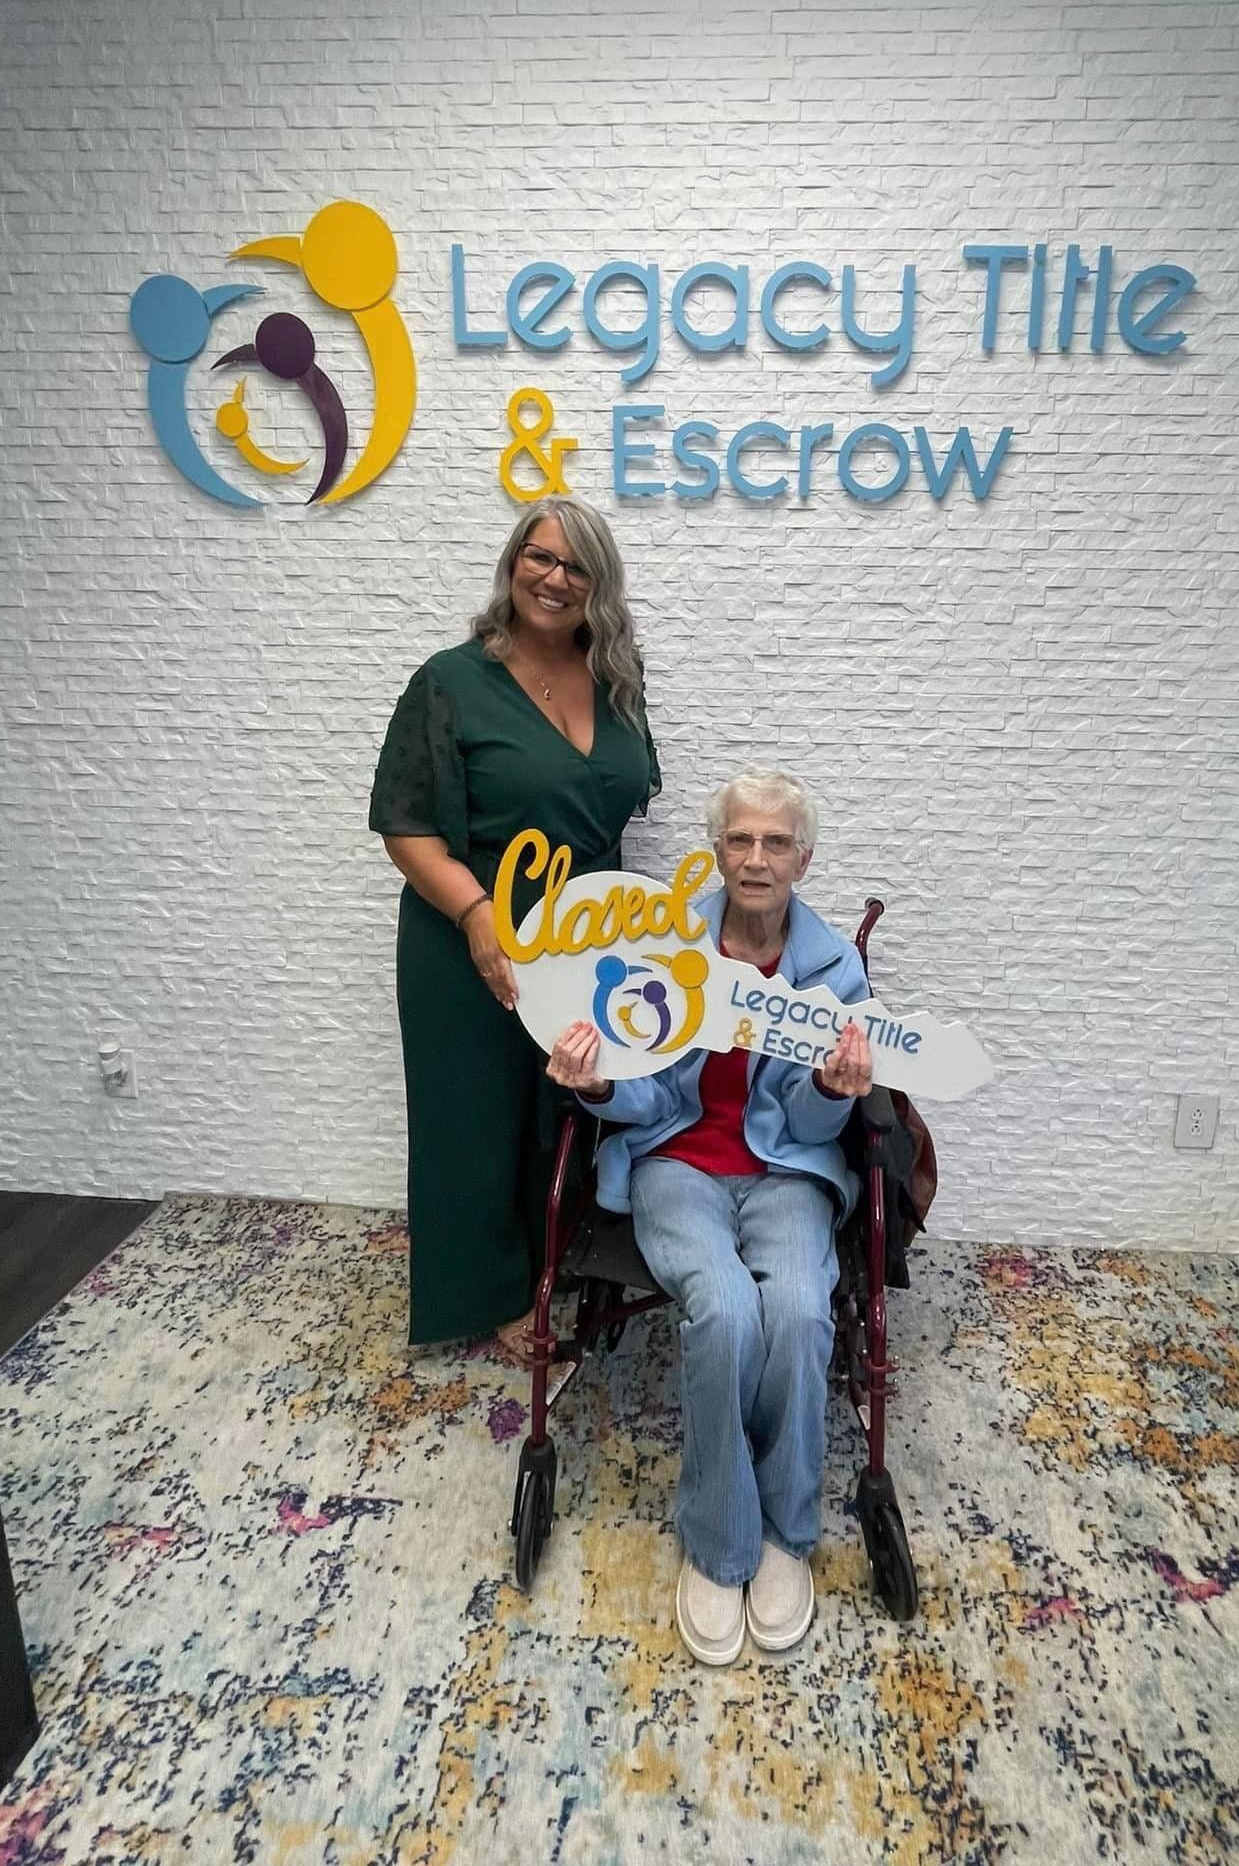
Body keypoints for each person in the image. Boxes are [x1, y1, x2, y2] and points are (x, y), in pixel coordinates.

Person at [546, 771, 872, 1665]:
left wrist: (828, 1090)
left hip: (786, 1170)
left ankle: (785, 1535)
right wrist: (603, 1081)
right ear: (717, 850)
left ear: (803, 859)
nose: (756, 859)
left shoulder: (835, 968)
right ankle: (720, 1540)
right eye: (740, 841)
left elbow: (813, 1129)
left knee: (801, 1310)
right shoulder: (666, 943)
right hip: (678, 1163)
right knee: (724, 1309)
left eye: (775, 844)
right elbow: (644, 1091)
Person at [369, 500, 659, 1357]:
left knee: (559, 1104)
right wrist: (475, 914)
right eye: (539, 557)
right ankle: (496, 1297)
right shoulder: (451, 681)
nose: (554, 579)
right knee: (478, 1115)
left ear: (598, 587)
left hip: (579, 939)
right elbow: (404, 824)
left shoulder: (617, 677)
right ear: (512, 563)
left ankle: (551, 1261)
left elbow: (613, 807)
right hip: (468, 933)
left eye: (577, 567)